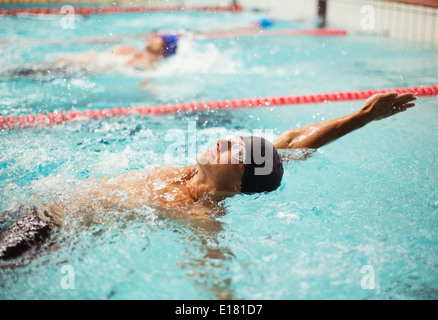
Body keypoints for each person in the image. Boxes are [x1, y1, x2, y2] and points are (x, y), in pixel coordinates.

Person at [0, 92, 416, 260]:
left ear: (237, 184)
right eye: (235, 138)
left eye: (237, 150)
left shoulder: (201, 213)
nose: (224, 141)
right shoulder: (187, 174)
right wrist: (361, 117)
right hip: (31, 206)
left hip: (45, 236)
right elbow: (294, 140)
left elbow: (213, 268)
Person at [10, 33, 180, 76]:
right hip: (74, 63)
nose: (154, 36)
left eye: (160, 37)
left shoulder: (149, 67)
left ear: (164, 48)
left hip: (81, 71)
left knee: (27, 73)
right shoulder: (127, 49)